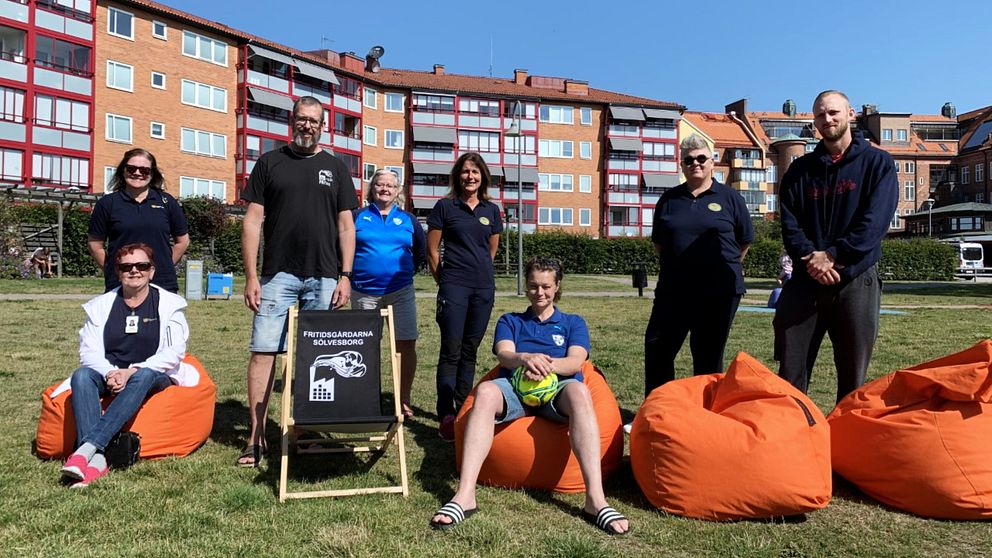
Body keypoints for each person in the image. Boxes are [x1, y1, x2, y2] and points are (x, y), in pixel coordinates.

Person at [429, 257, 630, 535]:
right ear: (526, 286)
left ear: (557, 286)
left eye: (547, 286)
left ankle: (595, 501)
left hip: (557, 390)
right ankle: (465, 496)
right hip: (517, 388)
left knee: (581, 391)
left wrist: (543, 365)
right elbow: (504, 354)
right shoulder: (510, 320)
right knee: (486, 391)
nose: (540, 292)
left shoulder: (573, 323)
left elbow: (575, 363)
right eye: (534, 286)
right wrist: (525, 358)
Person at [237, 95, 359, 467]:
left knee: (315, 357)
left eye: (315, 121)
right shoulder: (270, 163)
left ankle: (303, 429)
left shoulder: (336, 169)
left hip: (325, 276)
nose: (308, 125)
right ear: (292, 121)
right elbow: (252, 221)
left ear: (324, 126)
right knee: (263, 352)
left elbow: (345, 226)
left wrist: (345, 276)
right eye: (302, 119)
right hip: (278, 275)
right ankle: (256, 437)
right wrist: (252, 276)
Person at [775, 90, 898, 403]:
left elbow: (874, 224)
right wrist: (812, 261)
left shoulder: (878, 164)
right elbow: (790, 225)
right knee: (790, 373)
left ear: (851, 114)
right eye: (820, 114)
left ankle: (846, 443)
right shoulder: (800, 171)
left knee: (852, 376)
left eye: (833, 112)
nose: (826, 119)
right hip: (805, 281)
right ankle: (792, 439)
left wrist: (833, 256)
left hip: (856, 280)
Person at [59, 243, 191, 488]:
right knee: (81, 376)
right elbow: (88, 351)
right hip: (110, 373)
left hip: (151, 376)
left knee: (145, 375)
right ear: (118, 272)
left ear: (152, 271)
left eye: (142, 266)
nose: (134, 271)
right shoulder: (101, 306)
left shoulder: (169, 305)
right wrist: (111, 372)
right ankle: (97, 460)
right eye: (126, 266)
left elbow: (174, 352)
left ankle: (86, 448)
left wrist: (131, 372)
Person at [643, 134, 754, 397]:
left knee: (707, 354)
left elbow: (744, 241)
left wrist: (722, 267)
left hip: (718, 292)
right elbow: (660, 243)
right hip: (674, 290)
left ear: (712, 162)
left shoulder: (730, 198)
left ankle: (703, 416)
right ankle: (658, 410)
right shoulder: (669, 200)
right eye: (689, 160)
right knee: (658, 348)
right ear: (681, 164)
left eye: (702, 158)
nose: (696, 163)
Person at [426, 153, 502, 441]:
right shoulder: (445, 207)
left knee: (470, 351)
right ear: (457, 176)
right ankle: (445, 414)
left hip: (483, 289)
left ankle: (462, 410)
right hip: (453, 286)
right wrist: (445, 281)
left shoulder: (491, 211)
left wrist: (479, 275)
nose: (470, 177)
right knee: (451, 350)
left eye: (475, 172)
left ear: (483, 176)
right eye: (465, 172)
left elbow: (490, 251)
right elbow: (432, 251)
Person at [352, 169, 426, 417]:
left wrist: (403, 274)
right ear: (372, 188)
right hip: (363, 292)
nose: (384, 189)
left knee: (406, 343)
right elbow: (342, 249)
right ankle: (366, 398)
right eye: (380, 185)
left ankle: (403, 399)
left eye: (390, 186)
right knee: (365, 346)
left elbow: (421, 254)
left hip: (400, 292)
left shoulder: (409, 220)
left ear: (397, 191)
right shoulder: (357, 217)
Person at [88, 148, 190, 293]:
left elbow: (183, 241)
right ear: (123, 170)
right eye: (131, 168)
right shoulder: (107, 203)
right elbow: (94, 244)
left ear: (152, 173)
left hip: (162, 284)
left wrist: (162, 266)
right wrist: (115, 269)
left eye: (144, 170)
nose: (137, 173)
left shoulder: (167, 202)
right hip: (121, 284)